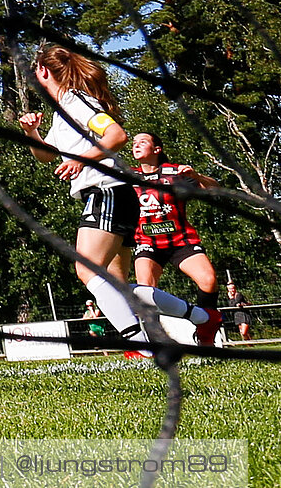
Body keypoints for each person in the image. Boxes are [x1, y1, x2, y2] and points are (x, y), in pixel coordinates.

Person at [18, 45, 214, 355]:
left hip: (106, 191)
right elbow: (46, 156)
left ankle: (143, 345)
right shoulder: (65, 110)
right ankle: (197, 316)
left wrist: (83, 160)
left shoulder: (76, 102)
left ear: (42, 72)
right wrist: (32, 132)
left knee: (87, 271)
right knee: (116, 286)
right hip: (116, 194)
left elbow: (116, 136)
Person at [131, 132, 223, 345]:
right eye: (134, 142)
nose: (136, 145)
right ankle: (157, 343)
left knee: (209, 281)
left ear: (157, 149)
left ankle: (205, 332)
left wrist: (197, 176)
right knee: (145, 291)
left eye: (142, 141)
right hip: (148, 243)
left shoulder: (175, 173)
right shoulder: (128, 176)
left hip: (181, 241)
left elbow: (215, 189)